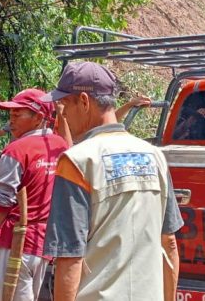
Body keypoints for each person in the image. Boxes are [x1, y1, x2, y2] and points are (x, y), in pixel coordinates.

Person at [41, 62, 184, 301]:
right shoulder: (154, 156)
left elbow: (70, 256)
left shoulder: (77, 161)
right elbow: (169, 244)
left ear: (84, 101)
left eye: (64, 104)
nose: (62, 114)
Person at [0, 88, 68, 301]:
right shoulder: (60, 146)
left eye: (18, 115)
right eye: (10, 115)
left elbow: (0, 208)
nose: (11, 121)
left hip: (14, 244)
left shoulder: (16, 151)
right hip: (42, 246)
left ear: (39, 118)